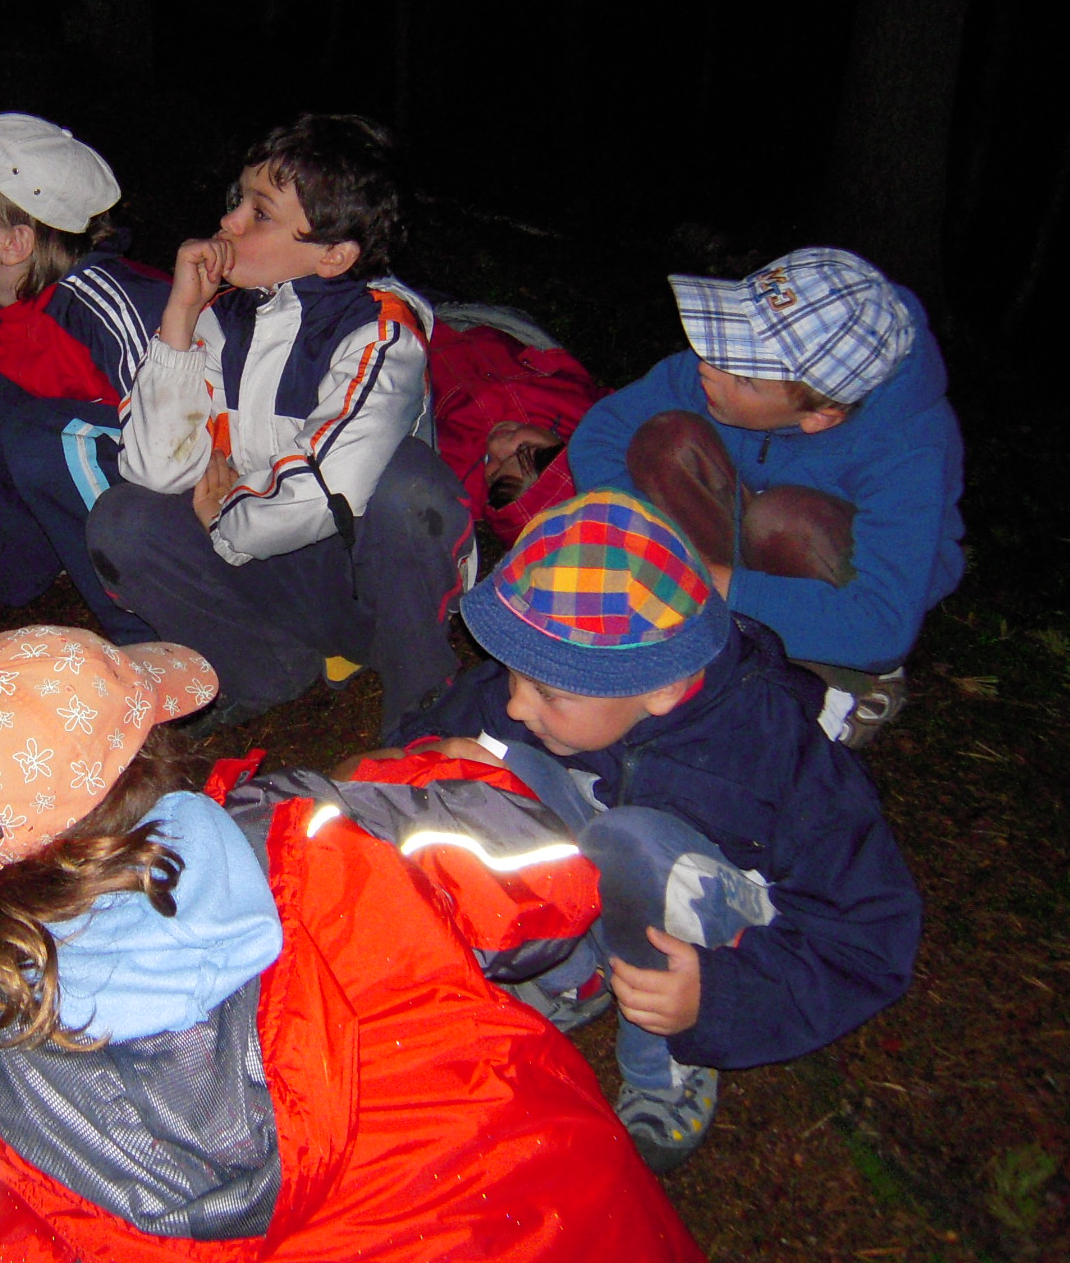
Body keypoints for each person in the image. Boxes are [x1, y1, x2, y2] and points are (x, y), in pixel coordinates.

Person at [0, 625, 708, 1263]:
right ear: (150, 757)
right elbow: (552, 883)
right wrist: (414, 778)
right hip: (584, 1255)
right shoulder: (315, 831)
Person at [385, 490, 922, 1174]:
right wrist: (419, 758)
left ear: (661, 690)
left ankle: (661, 1066)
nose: (517, 703)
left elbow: (870, 935)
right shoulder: (570, 682)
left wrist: (719, 995)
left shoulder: (774, 759)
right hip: (604, 854)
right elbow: (459, 718)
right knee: (496, 760)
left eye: (547, 692)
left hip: (707, 919)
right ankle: (567, 970)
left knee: (634, 844)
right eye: (517, 676)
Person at [87, 114, 472, 734]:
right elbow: (155, 470)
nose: (230, 222)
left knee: (408, 483)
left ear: (333, 255)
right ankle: (261, 669)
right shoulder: (221, 317)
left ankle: (419, 707)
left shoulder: (379, 330)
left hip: (363, 585)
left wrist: (223, 519)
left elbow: (327, 488)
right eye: (237, 199)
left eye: (260, 213)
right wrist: (180, 317)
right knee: (123, 518)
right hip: (266, 568)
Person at [568, 247, 964, 744]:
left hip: (829, 582)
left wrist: (724, 585)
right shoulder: (717, 371)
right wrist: (635, 535)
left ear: (819, 417)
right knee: (668, 438)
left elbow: (881, 624)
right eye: (720, 341)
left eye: (743, 378)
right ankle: (696, 626)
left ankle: (843, 678)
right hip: (725, 536)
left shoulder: (908, 447)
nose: (707, 369)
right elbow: (604, 433)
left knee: (782, 518)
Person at [0, 114, 169, 639]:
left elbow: (178, 443)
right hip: (74, 468)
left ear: (15, 244)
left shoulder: (112, 306)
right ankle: (28, 560)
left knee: (41, 438)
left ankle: (144, 628)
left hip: (159, 497)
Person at [426, 301, 610, 546]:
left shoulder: (457, 481)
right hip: (477, 323)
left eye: (493, 471)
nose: (497, 446)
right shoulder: (585, 413)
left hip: (417, 346)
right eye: (522, 449)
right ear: (565, 445)